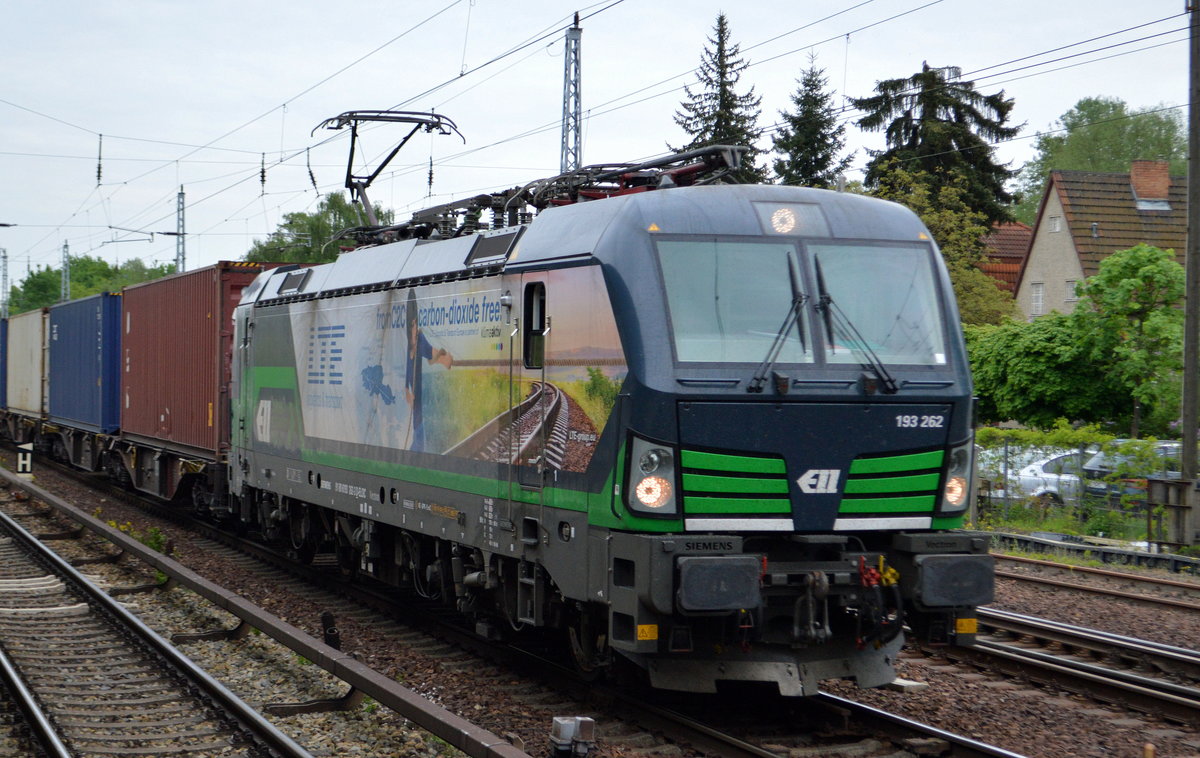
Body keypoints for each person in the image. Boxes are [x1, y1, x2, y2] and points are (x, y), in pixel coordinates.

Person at [404, 289, 452, 451]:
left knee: (419, 435)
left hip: (421, 403)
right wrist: (407, 391)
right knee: (418, 435)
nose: (414, 328)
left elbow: (432, 358)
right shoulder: (410, 345)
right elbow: (408, 371)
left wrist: (443, 357)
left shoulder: (419, 339)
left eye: (415, 324)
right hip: (416, 403)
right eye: (412, 325)